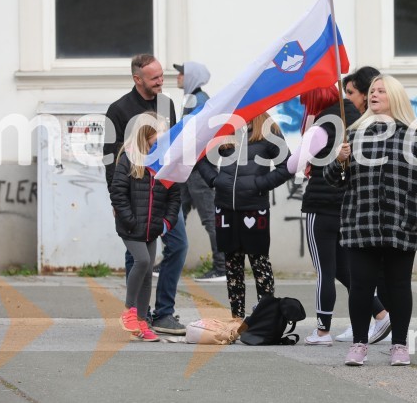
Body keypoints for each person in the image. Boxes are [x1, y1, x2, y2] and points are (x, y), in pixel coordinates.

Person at [325, 75, 417, 366]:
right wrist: (338, 161)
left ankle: (400, 345)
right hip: (360, 222)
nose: (374, 94)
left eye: (381, 90)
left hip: (401, 222)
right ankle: (359, 344)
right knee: (361, 286)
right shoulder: (354, 134)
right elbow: (333, 181)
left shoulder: (416, 135)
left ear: (395, 96)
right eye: (372, 91)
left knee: (398, 286)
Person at [288, 86, 391, 346]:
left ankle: (322, 331)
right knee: (345, 270)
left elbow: (294, 164)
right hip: (346, 205)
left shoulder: (321, 125)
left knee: (325, 270)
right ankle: (380, 313)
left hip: (320, 205)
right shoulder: (356, 121)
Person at [103, 54, 187, 335]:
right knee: (138, 257)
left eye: (162, 75)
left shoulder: (167, 104)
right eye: (155, 78)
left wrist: (176, 192)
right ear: (137, 79)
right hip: (135, 195)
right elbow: (109, 158)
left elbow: (172, 150)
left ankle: (164, 312)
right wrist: (117, 201)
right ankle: (140, 315)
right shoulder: (118, 109)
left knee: (178, 245)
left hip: (165, 194)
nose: (162, 81)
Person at [196, 112, 293, 320]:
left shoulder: (269, 129)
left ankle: (265, 319)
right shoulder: (224, 128)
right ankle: (236, 319)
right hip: (225, 208)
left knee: (260, 264)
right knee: (232, 267)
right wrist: (215, 181)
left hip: (254, 208)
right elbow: (200, 157)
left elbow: (287, 167)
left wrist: (258, 184)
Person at [110, 112, 181, 343]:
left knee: (148, 271)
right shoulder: (128, 158)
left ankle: (142, 321)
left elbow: (174, 196)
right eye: (158, 131)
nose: (163, 136)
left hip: (153, 227)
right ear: (146, 133)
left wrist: (166, 223)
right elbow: (118, 193)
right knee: (141, 261)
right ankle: (129, 311)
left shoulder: (164, 160)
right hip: (130, 227)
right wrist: (130, 220)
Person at [173, 62, 225, 282]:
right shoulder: (192, 99)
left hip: (198, 169)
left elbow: (195, 132)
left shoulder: (200, 100)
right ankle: (169, 260)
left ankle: (221, 267)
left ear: (192, 77)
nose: (178, 77)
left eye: (182, 73)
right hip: (188, 167)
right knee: (176, 213)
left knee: (210, 218)